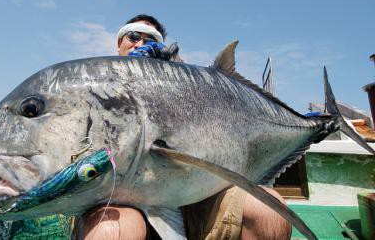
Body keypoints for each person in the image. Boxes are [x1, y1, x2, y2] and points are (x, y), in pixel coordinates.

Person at [77, 14, 291, 240]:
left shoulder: (184, 83)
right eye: (132, 36)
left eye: (150, 40)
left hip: (196, 199)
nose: (140, 43)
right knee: (112, 231)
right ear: (119, 43)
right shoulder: (94, 82)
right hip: (120, 199)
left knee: (269, 212)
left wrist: (175, 65)